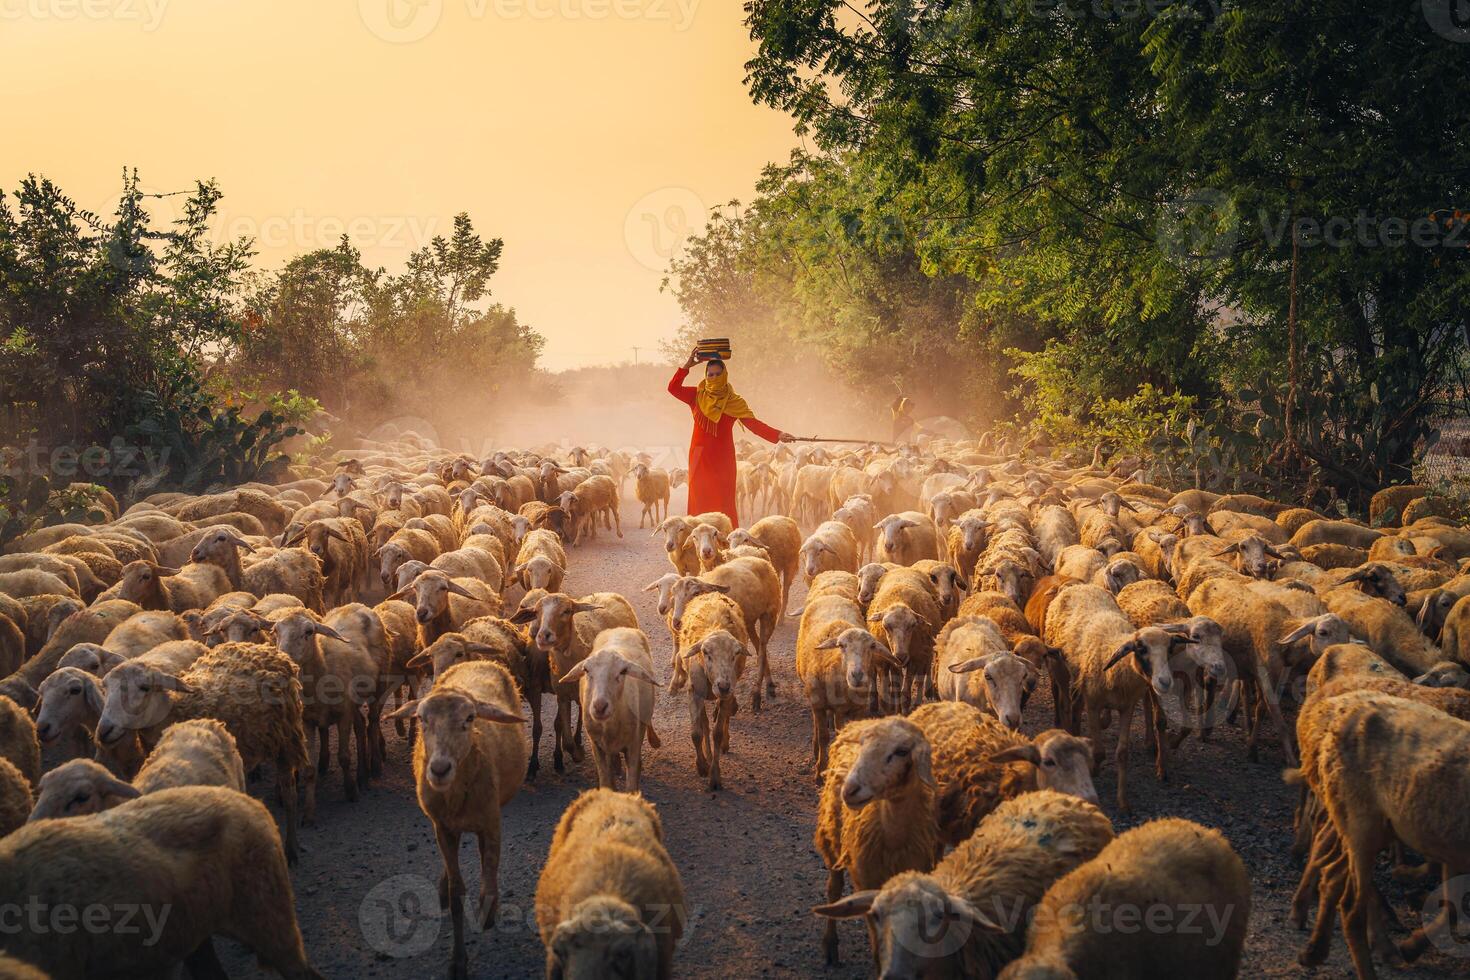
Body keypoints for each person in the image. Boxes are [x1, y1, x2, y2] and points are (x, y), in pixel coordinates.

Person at [668, 349, 794, 525]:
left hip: (723, 458)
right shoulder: (696, 395)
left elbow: (754, 425)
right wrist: (688, 364)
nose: (713, 378)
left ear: (724, 375)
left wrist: (778, 434)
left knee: (723, 502)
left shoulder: (734, 402)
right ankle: (699, 542)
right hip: (699, 457)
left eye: (717, 374)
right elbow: (672, 388)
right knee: (699, 499)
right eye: (710, 374)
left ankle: (726, 544)